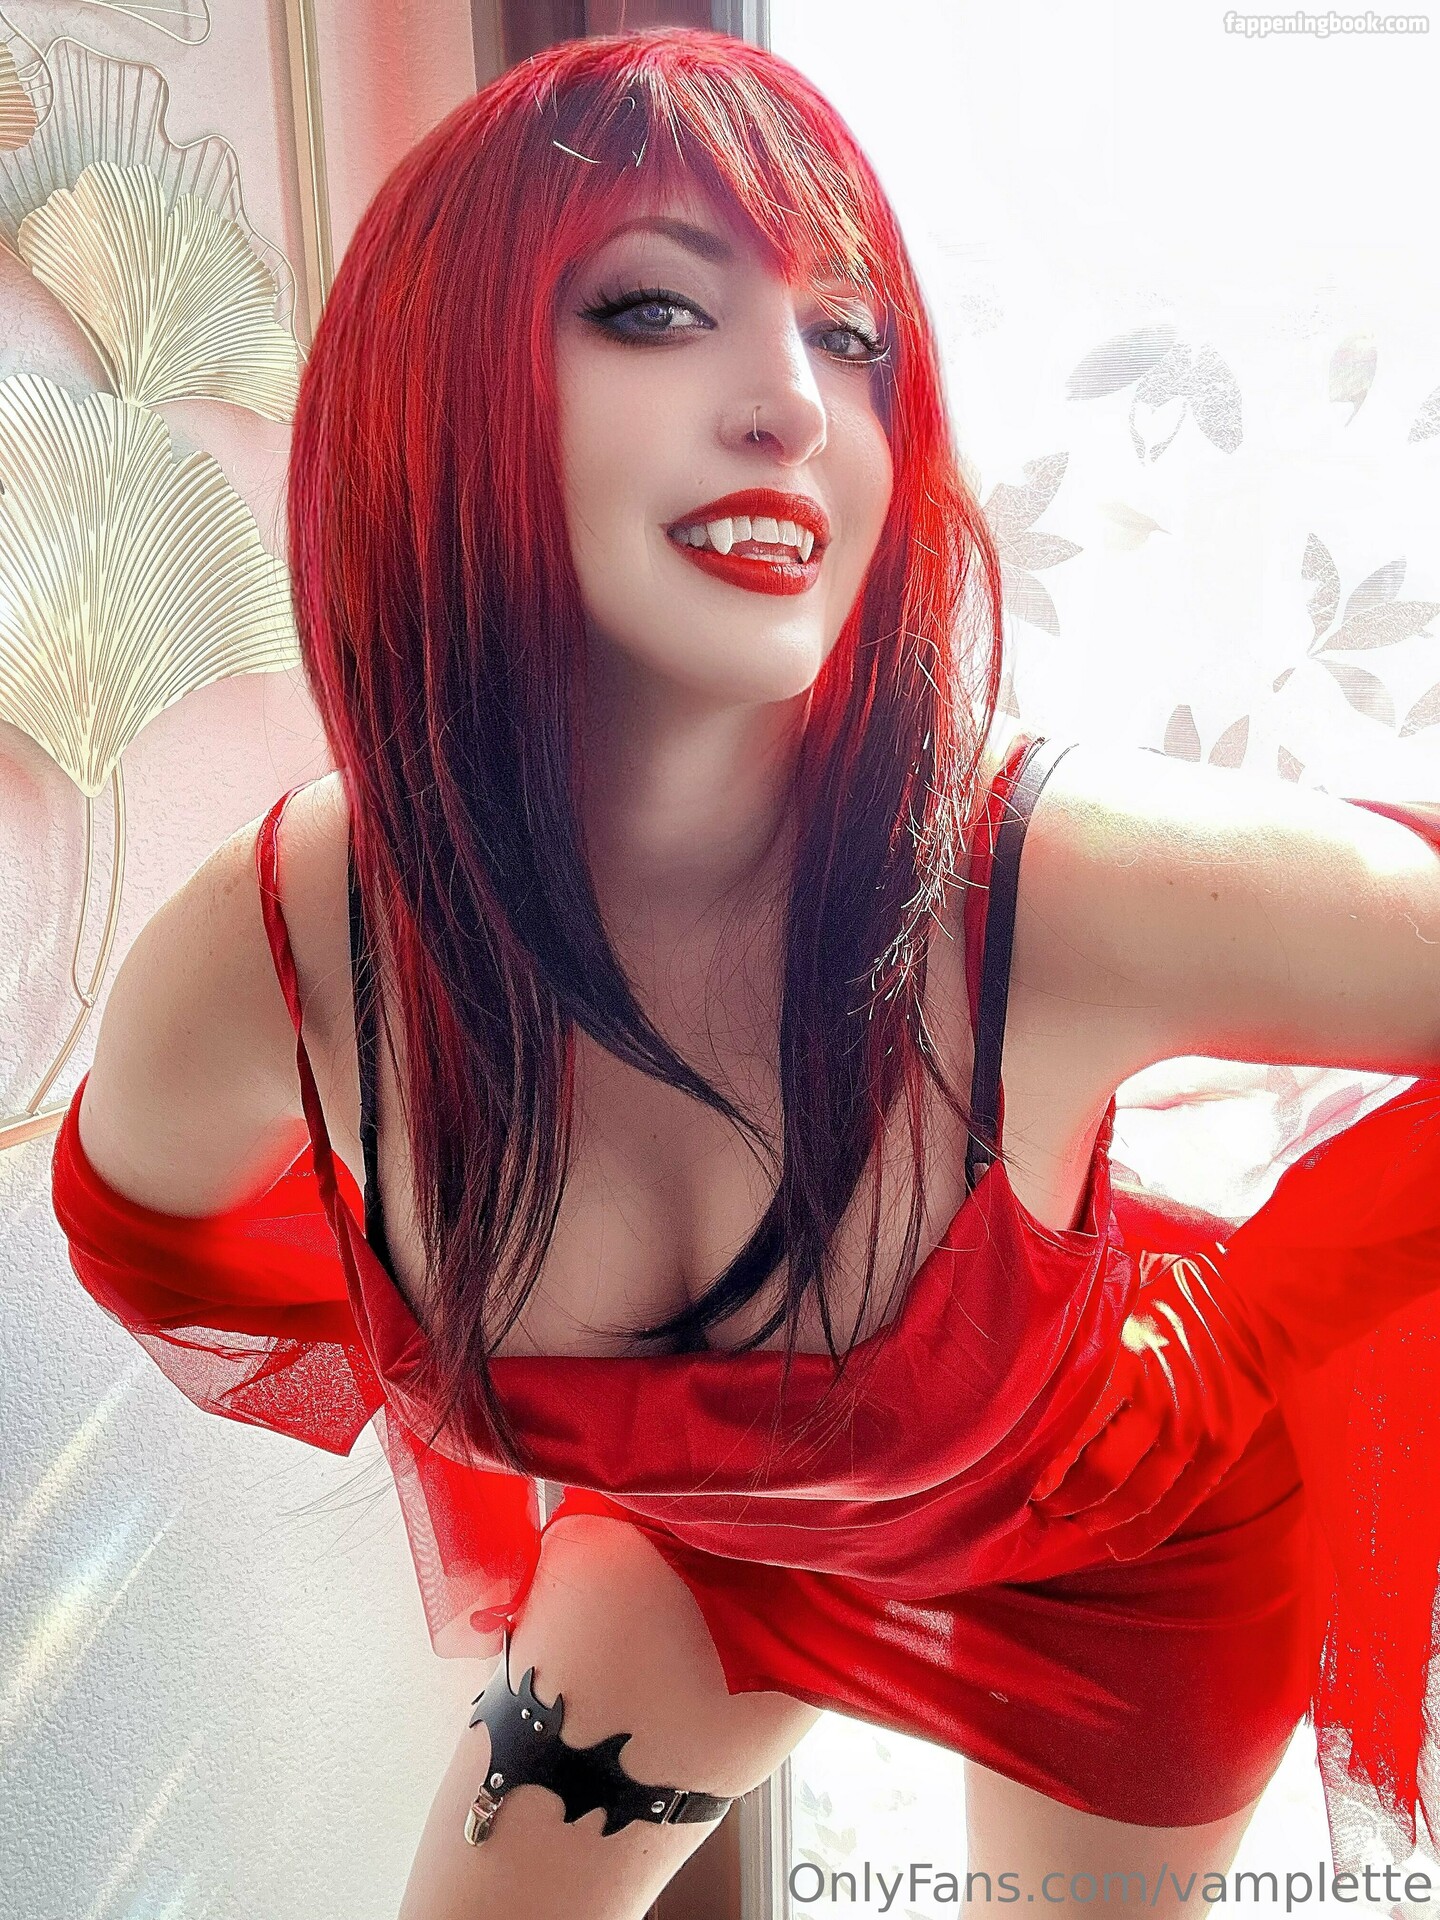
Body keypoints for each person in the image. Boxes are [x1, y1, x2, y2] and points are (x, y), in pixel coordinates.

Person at [49, 26, 1440, 1920]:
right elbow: (154, 1245)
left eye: (852, 337)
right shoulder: (285, 953)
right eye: (653, 307)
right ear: (435, 383)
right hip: (709, 1555)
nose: (794, 400)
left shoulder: (1044, 883)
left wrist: (1260, 1323)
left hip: (1117, 1571)